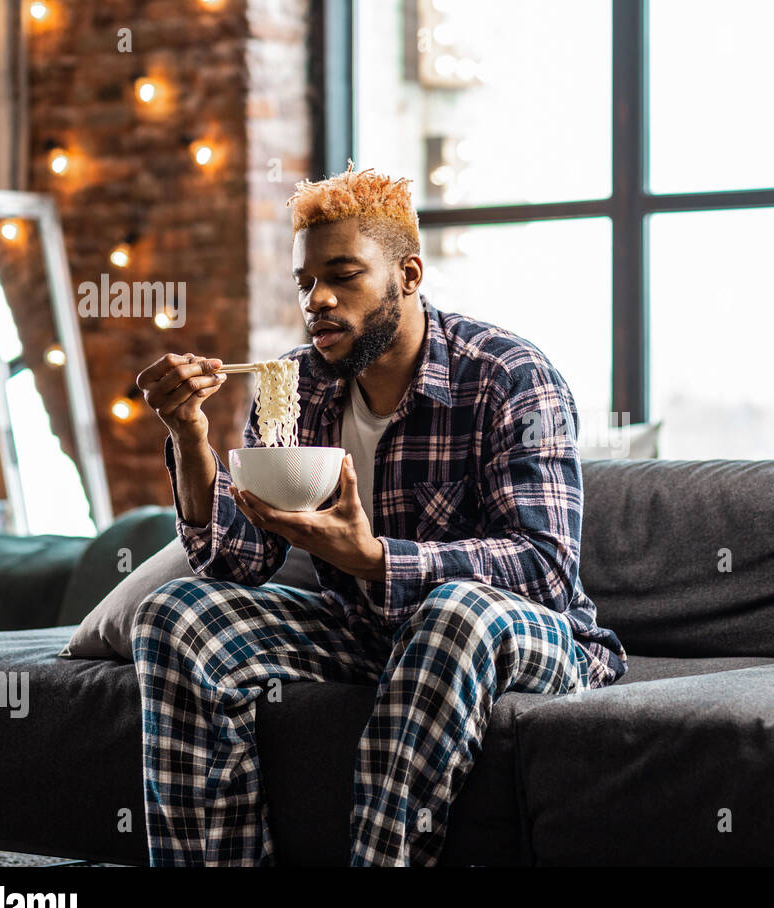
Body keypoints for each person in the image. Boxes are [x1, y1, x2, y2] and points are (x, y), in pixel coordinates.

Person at [132, 164, 626, 866]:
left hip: (528, 639)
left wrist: (376, 560)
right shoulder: (294, 386)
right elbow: (234, 563)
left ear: (409, 275)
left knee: (453, 612)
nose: (318, 301)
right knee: (174, 615)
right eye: (305, 282)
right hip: (362, 634)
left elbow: (544, 568)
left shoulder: (508, 377)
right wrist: (188, 436)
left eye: (343, 275)